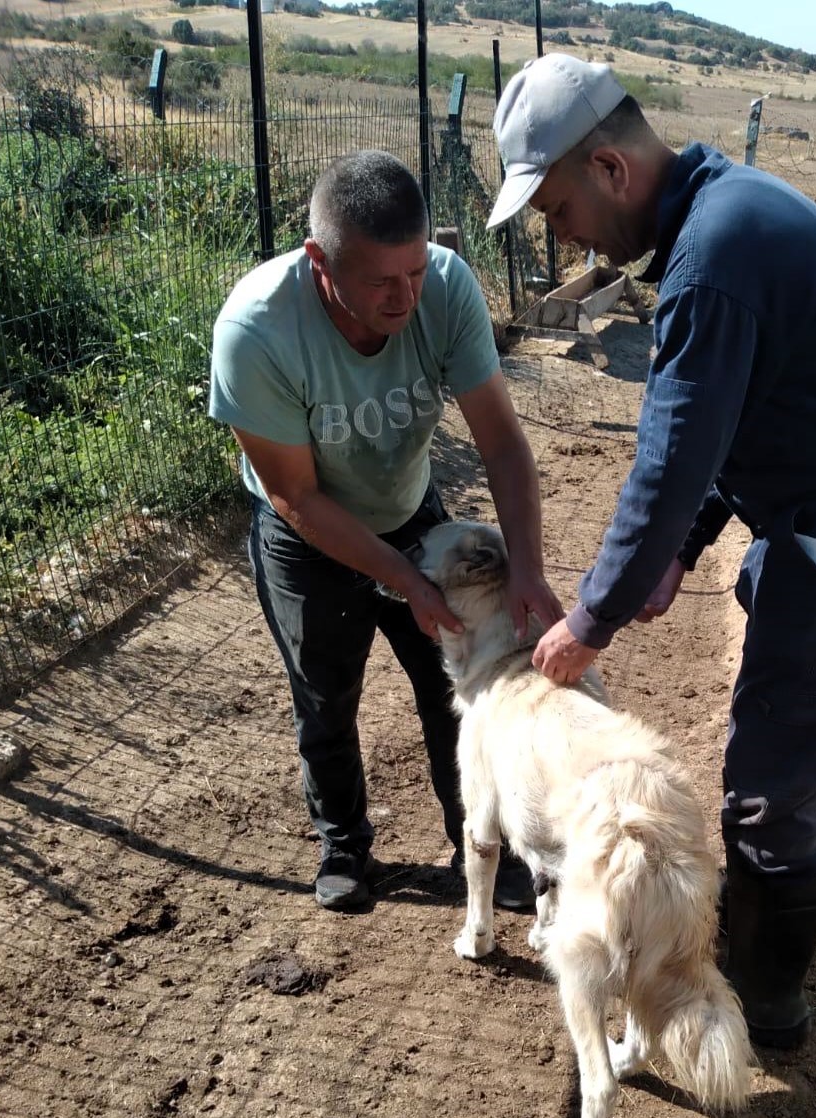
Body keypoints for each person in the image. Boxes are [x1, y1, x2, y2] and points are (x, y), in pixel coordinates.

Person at [486, 56, 816, 1047]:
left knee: (771, 779)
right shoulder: (724, 220)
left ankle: (769, 1001)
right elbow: (722, 431)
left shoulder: (714, 257)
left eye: (560, 208)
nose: (561, 234)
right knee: (770, 709)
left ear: (610, 168)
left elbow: (668, 458)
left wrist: (591, 620)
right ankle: (760, 929)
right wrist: (681, 552)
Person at [209, 150, 563, 911]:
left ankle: (481, 844)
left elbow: (501, 443)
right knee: (326, 697)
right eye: (381, 280)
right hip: (306, 537)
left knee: (455, 692)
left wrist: (527, 568)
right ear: (320, 261)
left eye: (416, 271)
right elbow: (296, 495)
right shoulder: (256, 332)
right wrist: (403, 581)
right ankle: (344, 844)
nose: (407, 295)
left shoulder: (444, 285)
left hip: (412, 513)